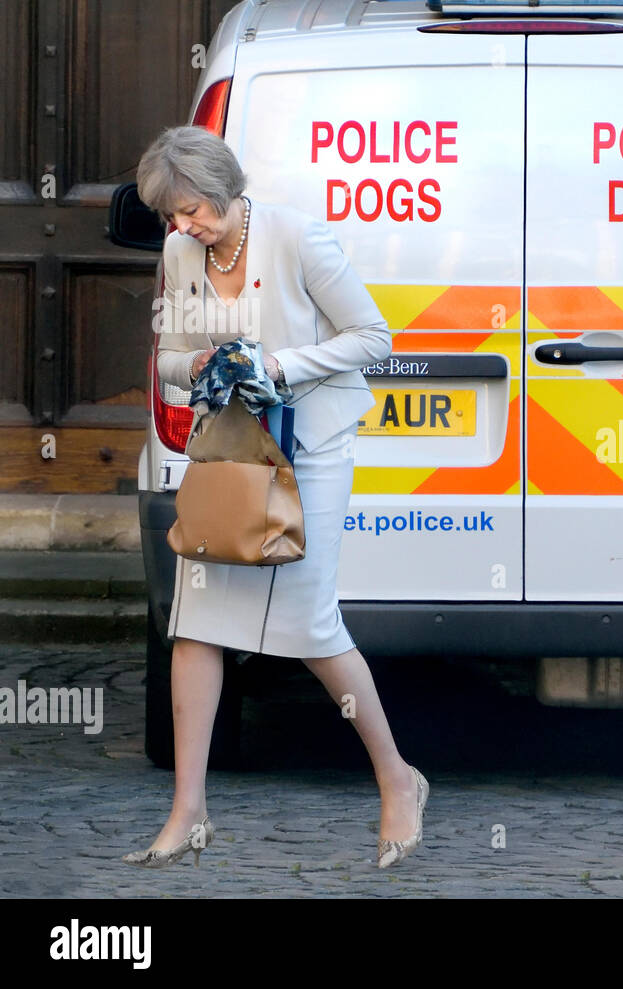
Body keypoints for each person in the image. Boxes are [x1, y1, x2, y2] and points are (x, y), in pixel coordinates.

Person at [123, 125, 426, 869]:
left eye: (190, 209)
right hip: (227, 455)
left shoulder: (296, 238)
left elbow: (373, 336)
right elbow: (165, 358)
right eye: (171, 215)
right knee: (195, 623)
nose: (181, 226)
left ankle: (399, 779)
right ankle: (188, 811)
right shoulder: (179, 253)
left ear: (224, 187)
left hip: (310, 454)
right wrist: (201, 360)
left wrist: (278, 366)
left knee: (312, 623)